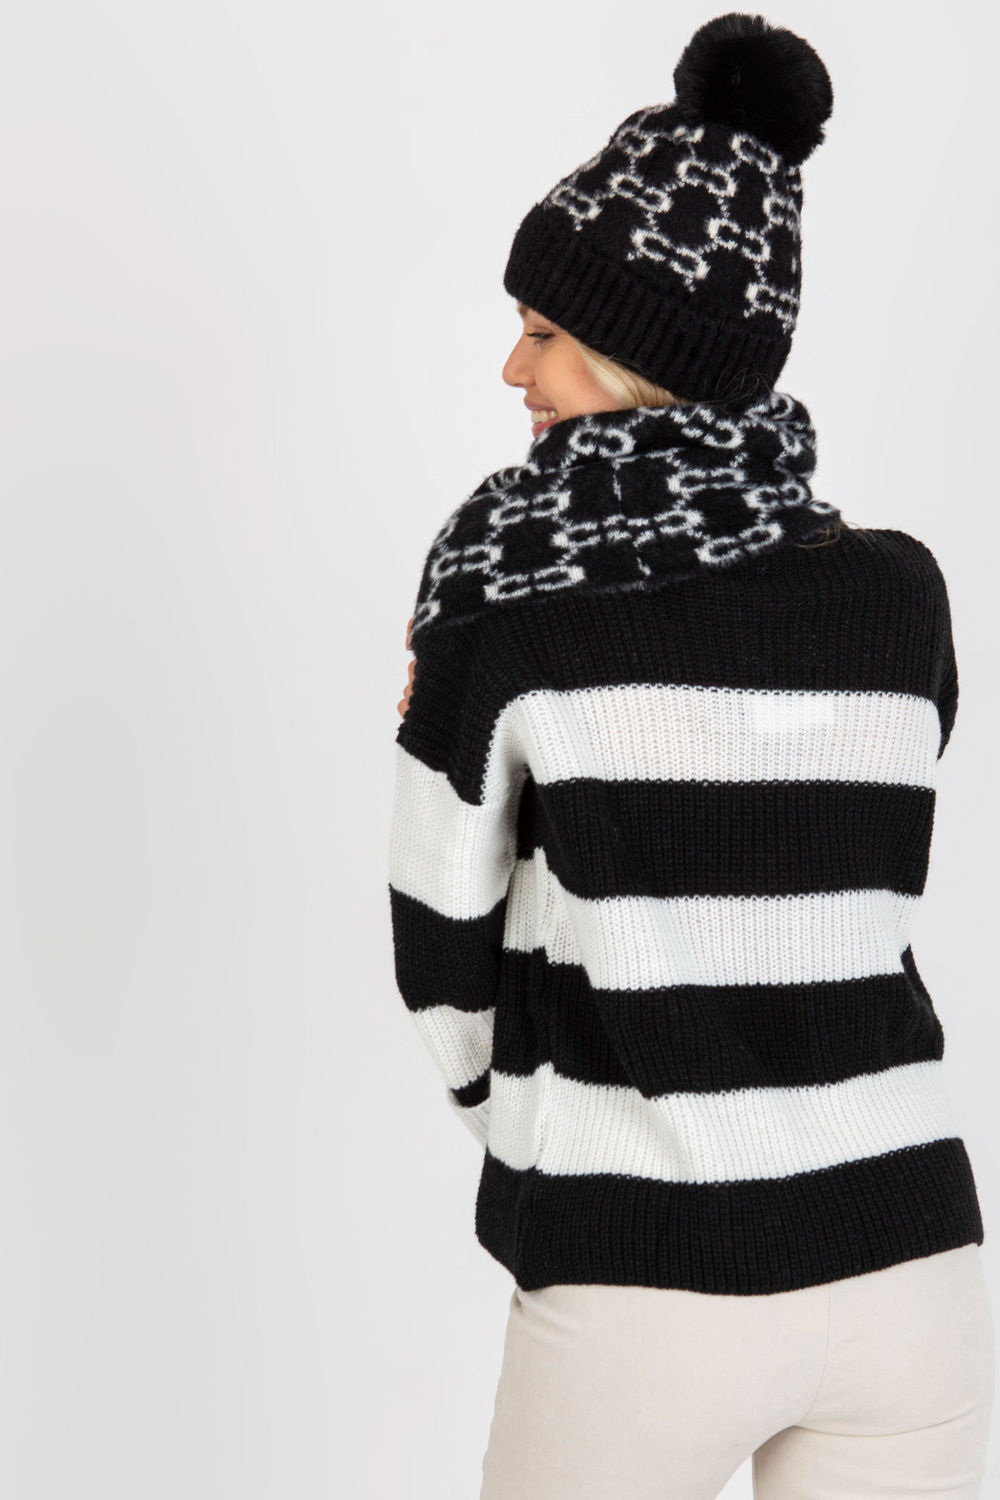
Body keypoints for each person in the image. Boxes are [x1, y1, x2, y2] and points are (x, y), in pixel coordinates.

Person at [387, 12, 995, 1498]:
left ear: (636, 356)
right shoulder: (900, 594)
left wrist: (548, 1126)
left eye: (544, 332)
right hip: (911, 1262)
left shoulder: (504, 594)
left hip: (644, 1267)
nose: (511, 366)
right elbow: (846, 875)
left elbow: (439, 943)